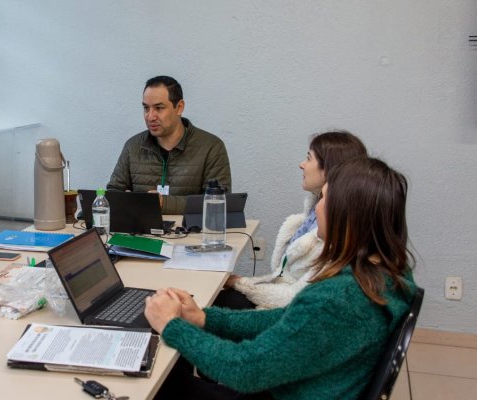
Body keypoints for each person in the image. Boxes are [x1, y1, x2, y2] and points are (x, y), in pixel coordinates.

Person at [144, 157, 416, 400]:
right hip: (311, 384)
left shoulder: (336, 300)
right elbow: (287, 320)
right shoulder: (388, 274)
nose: (317, 208)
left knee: (161, 382)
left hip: (280, 391)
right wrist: (204, 318)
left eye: (323, 198)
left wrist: (171, 326)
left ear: (345, 214)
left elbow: (245, 370)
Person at [215, 131, 368, 309]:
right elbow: (285, 278)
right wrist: (242, 283)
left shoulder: (332, 235)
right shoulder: (314, 213)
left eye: (309, 158)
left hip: (284, 310)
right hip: (279, 296)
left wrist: (241, 284)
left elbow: (296, 297)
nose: (301, 165)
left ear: (329, 170)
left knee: (209, 304)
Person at [107, 75, 231, 214]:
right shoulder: (133, 146)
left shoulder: (211, 147)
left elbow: (218, 202)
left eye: (159, 108)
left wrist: (164, 203)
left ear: (179, 107)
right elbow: (113, 193)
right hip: (143, 226)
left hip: (189, 228)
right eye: (146, 108)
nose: (150, 116)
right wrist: (126, 200)